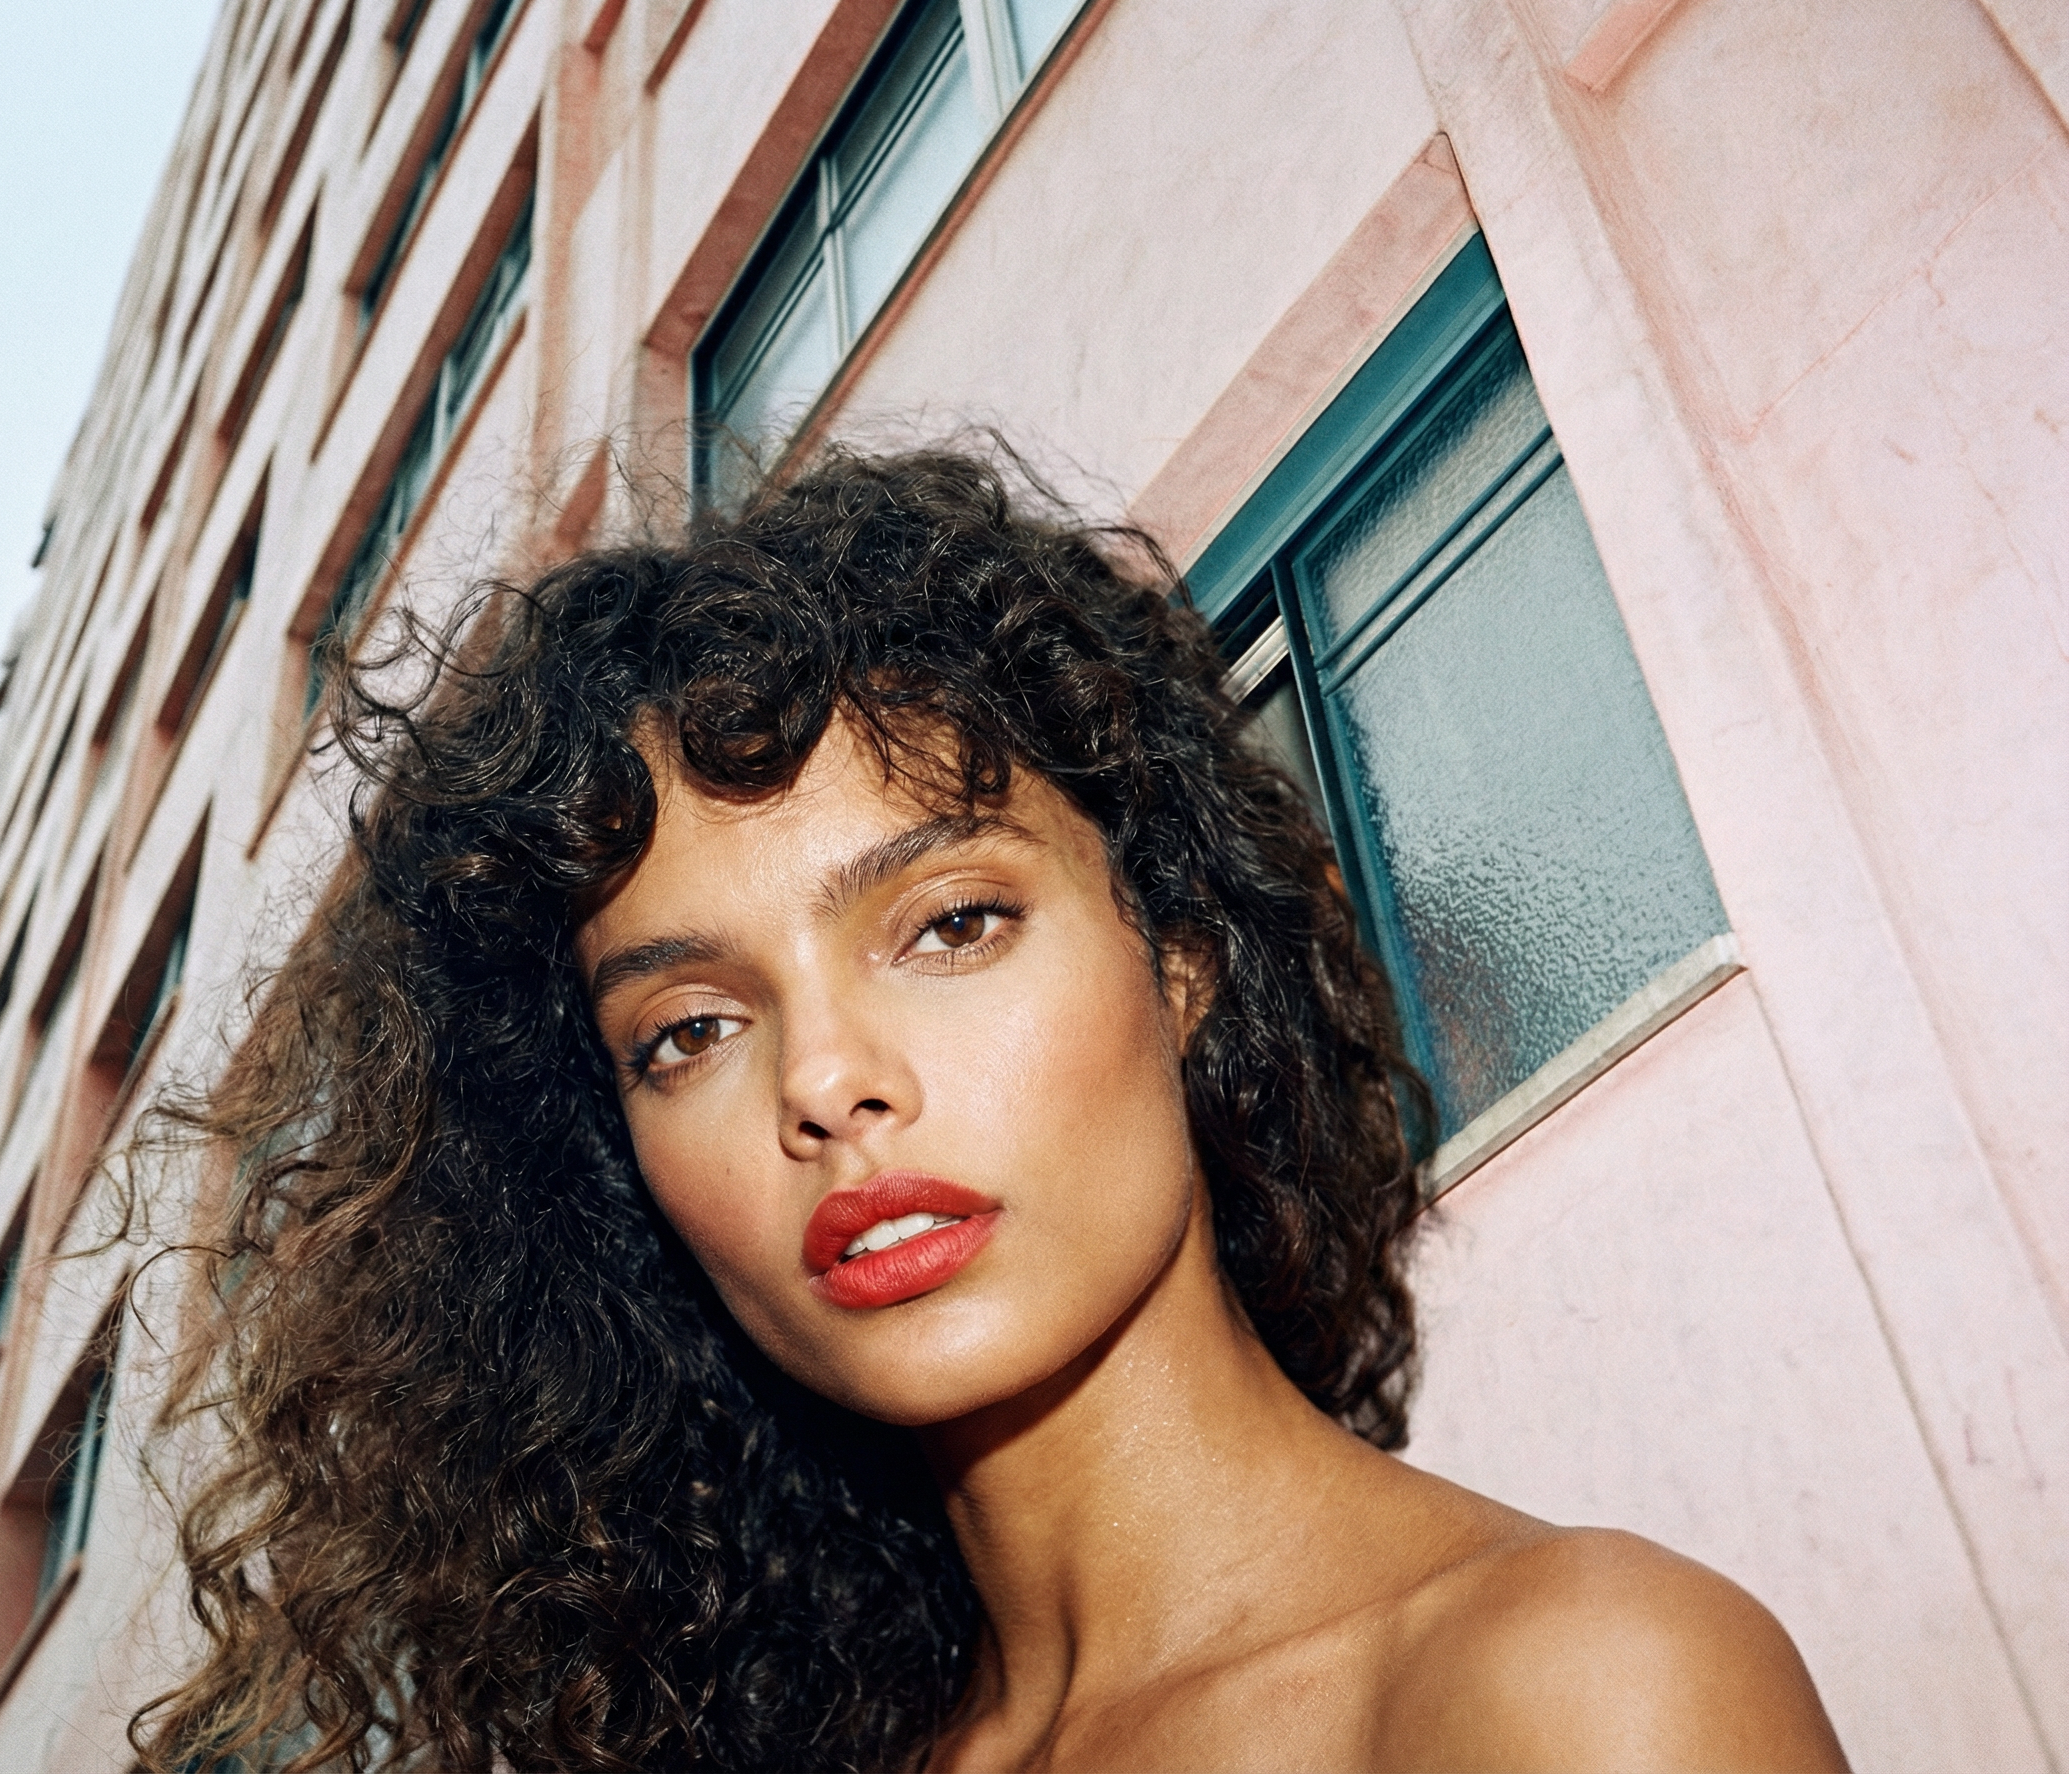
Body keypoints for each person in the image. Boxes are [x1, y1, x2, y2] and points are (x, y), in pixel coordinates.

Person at [135, 449, 1847, 1772]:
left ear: (1176, 959)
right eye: (689, 1030)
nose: (823, 1082)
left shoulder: (1564, 1689)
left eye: (951, 924)